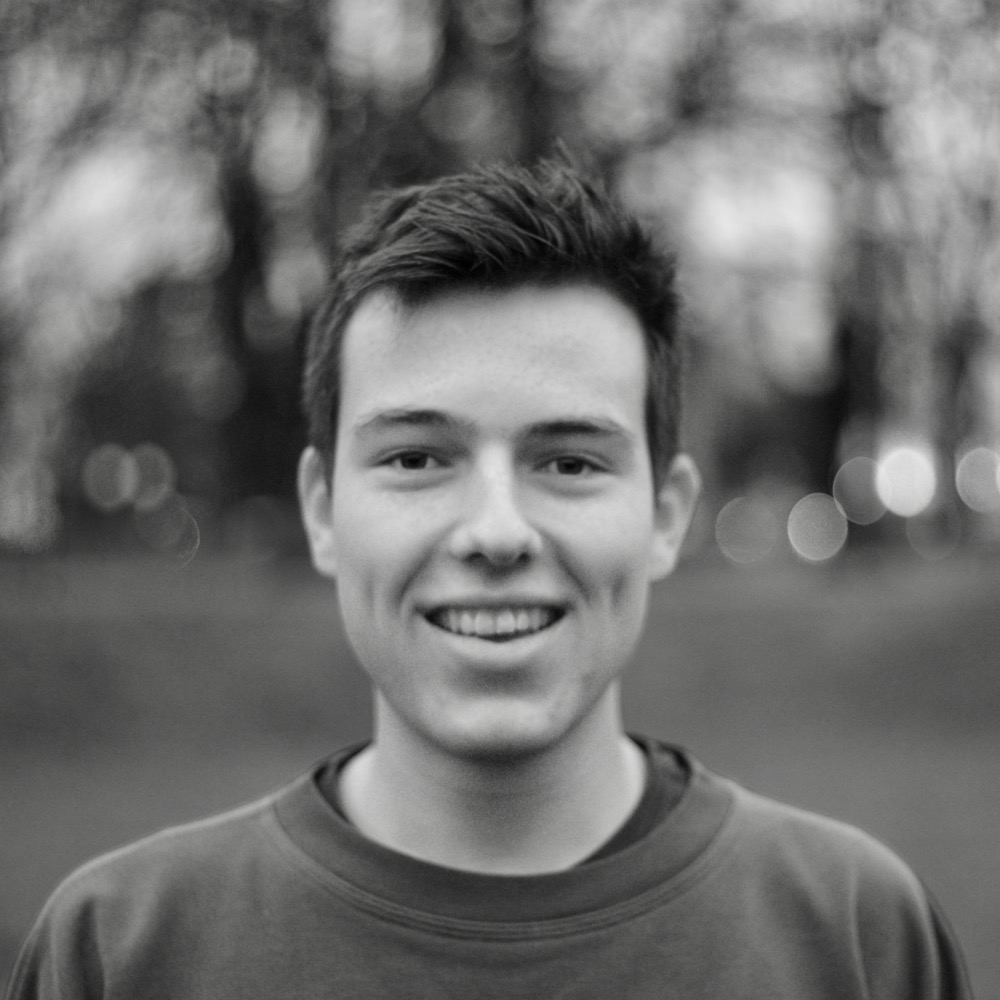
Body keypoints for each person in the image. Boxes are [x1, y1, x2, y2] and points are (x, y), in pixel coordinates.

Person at [6, 158, 972, 1000]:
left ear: (666, 515)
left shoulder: (858, 933)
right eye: (417, 459)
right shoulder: (120, 950)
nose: (497, 533)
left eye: (570, 462)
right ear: (322, 510)